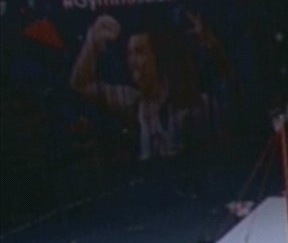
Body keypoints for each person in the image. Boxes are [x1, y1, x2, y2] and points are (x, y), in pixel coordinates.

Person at [70, 14, 213, 166]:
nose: (132, 61)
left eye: (139, 52)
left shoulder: (195, 102)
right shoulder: (133, 101)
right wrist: (92, 42)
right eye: (129, 54)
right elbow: (80, 84)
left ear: (157, 56)